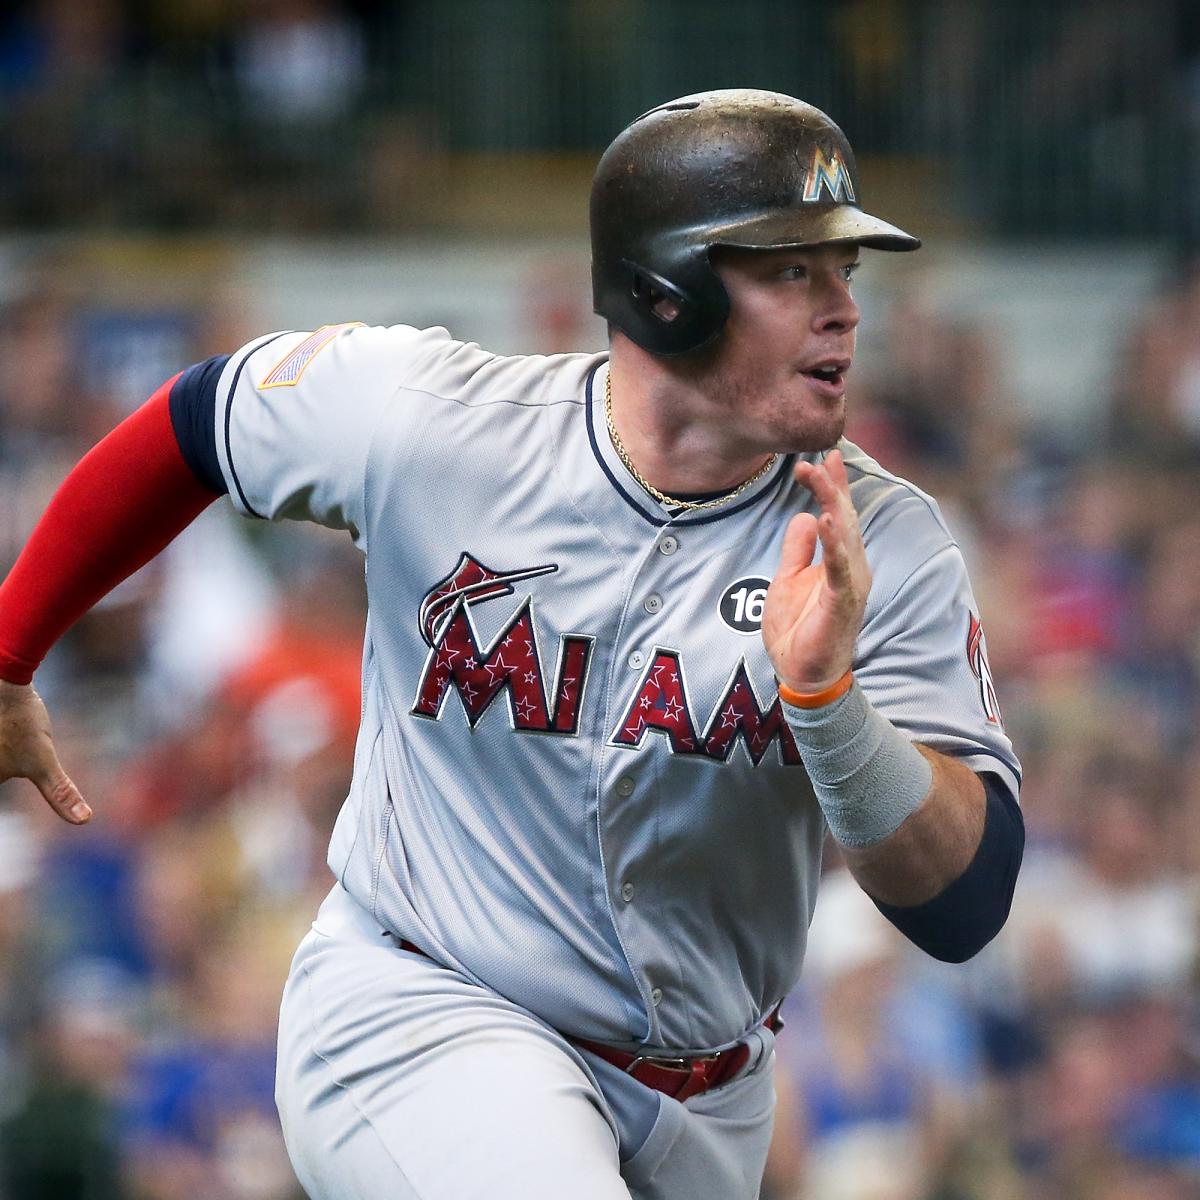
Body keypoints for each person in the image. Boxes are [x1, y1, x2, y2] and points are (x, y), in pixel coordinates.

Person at [0, 90, 1024, 1200]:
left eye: (845, 274)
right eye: (794, 271)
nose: (843, 310)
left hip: (710, 1103)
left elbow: (964, 907)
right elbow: (196, 422)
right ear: (663, 291)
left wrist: (833, 711)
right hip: (422, 1014)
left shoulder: (884, 545)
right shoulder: (436, 422)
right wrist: (10, 654)